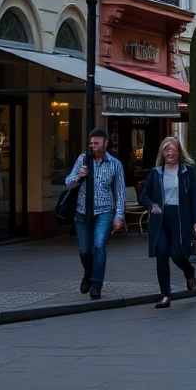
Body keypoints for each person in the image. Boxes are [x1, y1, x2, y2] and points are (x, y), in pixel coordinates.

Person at [140, 136, 196, 308]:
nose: (170, 153)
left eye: (173, 150)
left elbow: (195, 198)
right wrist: (152, 205)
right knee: (161, 254)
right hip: (160, 218)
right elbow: (144, 195)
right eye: (167, 150)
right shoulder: (156, 172)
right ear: (162, 152)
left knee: (177, 254)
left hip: (180, 217)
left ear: (179, 152)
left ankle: (189, 271)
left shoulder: (187, 171)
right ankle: (165, 295)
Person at [64, 128, 125, 300]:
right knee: (84, 250)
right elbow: (67, 183)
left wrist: (119, 216)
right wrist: (78, 176)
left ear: (105, 143)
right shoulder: (83, 160)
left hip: (104, 211)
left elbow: (120, 192)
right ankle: (88, 272)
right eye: (91, 143)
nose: (93, 147)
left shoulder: (115, 164)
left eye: (96, 143)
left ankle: (96, 284)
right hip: (82, 211)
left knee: (98, 245)